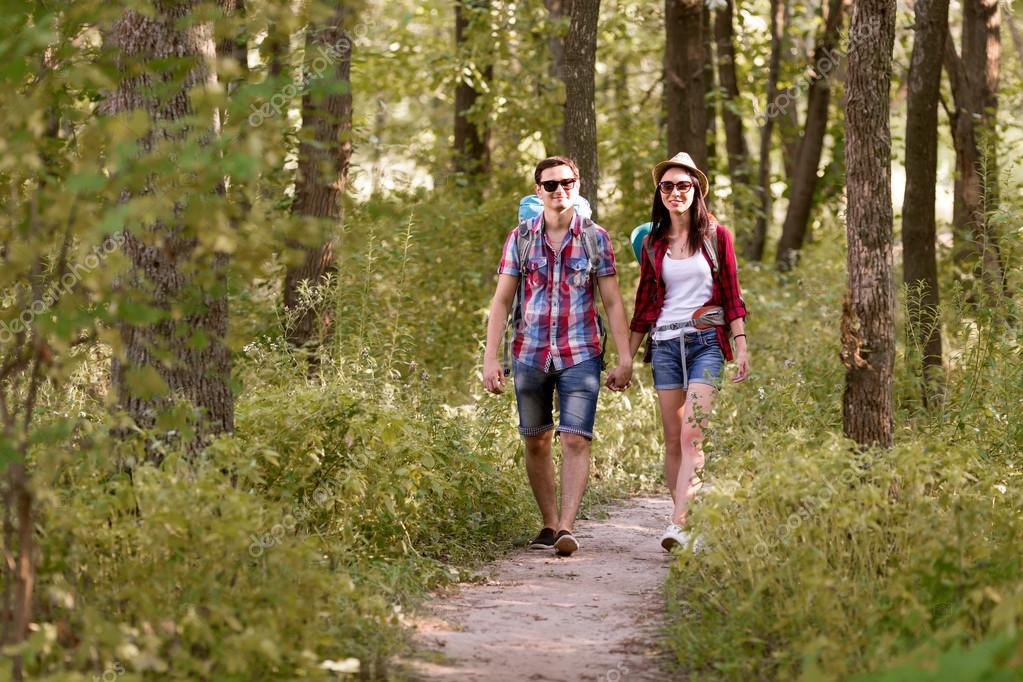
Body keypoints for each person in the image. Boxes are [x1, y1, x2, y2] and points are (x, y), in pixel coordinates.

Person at [482, 156, 633, 557]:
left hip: (580, 351)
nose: (559, 190)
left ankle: (567, 526)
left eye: (566, 182)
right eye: (550, 185)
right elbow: (501, 302)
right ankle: (548, 524)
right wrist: (490, 358)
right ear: (539, 191)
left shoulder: (595, 238)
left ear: (578, 185)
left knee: (576, 438)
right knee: (536, 441)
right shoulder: (520, 237)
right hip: (529, 351)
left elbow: (613, 301)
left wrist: (625, 356)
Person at [624, 152, 749, 551]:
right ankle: (688, 520)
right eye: (667, 186)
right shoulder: (653, 244)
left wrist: (741, 346)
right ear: (659, 193)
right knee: (674, 437)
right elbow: (644, 303)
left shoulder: (716, 236)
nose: (675, 192)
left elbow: (731, 293)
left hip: (706, 344)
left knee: (694, 434)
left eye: (683, 185)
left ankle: (677, 524)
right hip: (663, 345)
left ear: (696, 190)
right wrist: (627, 358)